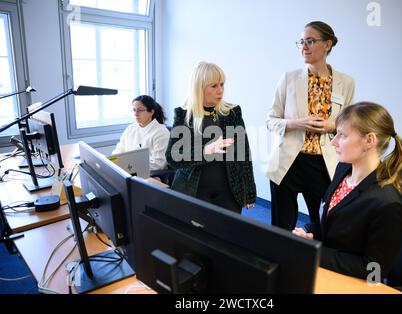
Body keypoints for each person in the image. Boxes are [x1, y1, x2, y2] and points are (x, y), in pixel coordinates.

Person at [293, 102, 402, 280]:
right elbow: (332, 222)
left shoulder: (387, 204)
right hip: (328, 268)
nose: (333, 141)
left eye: (342, 135)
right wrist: (310, 233)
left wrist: (316, 252)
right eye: (335, 134)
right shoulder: (343, 169)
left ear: (369, 140)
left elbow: (374, 271)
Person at [266, 21, 355, 230]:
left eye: (310, 41)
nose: (304, 47)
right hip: (288, 161)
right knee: (281, 225)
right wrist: (296, 123)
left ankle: (315, 262)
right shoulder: (288, 78)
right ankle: (281, 261)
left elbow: (349, 125)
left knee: (322, 224)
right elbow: (271, 120)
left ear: (327, 44)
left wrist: (331, 126)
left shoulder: (346, 83)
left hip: (324, 164)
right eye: (301, 42)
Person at [165, 61, 256, 213]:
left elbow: (243, 154)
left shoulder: (232, 112)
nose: (220, 90)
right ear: (199, 88)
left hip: (229, 191)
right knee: (195, 235)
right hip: (193, 189)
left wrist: (250, 191)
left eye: (222, 84)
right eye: (214, 86)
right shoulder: (184, 114)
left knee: (227, 234)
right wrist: (206, 150)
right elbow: (173, 157)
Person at [112, 95, 170, 171]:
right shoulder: (130, 128)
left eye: (140, 110)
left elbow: (158, 164)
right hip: (128, 170)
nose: (136, 114)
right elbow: (119, 151)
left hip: (149, 176)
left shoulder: (161, 132)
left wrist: (129, 166)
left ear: (151, 112)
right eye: (134, 110)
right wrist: (112, 162)